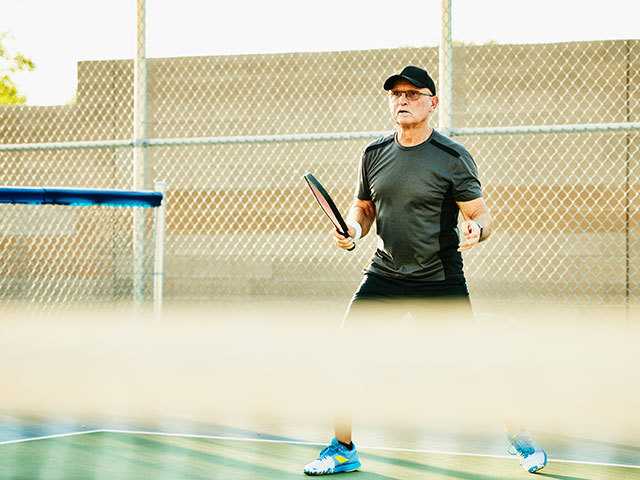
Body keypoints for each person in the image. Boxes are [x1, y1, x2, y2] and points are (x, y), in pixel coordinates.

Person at [303, 65, 547, 475]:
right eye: (396, 94)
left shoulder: (452, 158)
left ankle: (519, 438)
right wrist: (352, 231)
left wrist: (477, 230)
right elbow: (364, 207)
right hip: (385, 274)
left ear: (432, 103)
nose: (402, 100)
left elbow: (481, 214)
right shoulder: (373, 153)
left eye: (413, 94)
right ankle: (342, 449)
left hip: (440, 278)